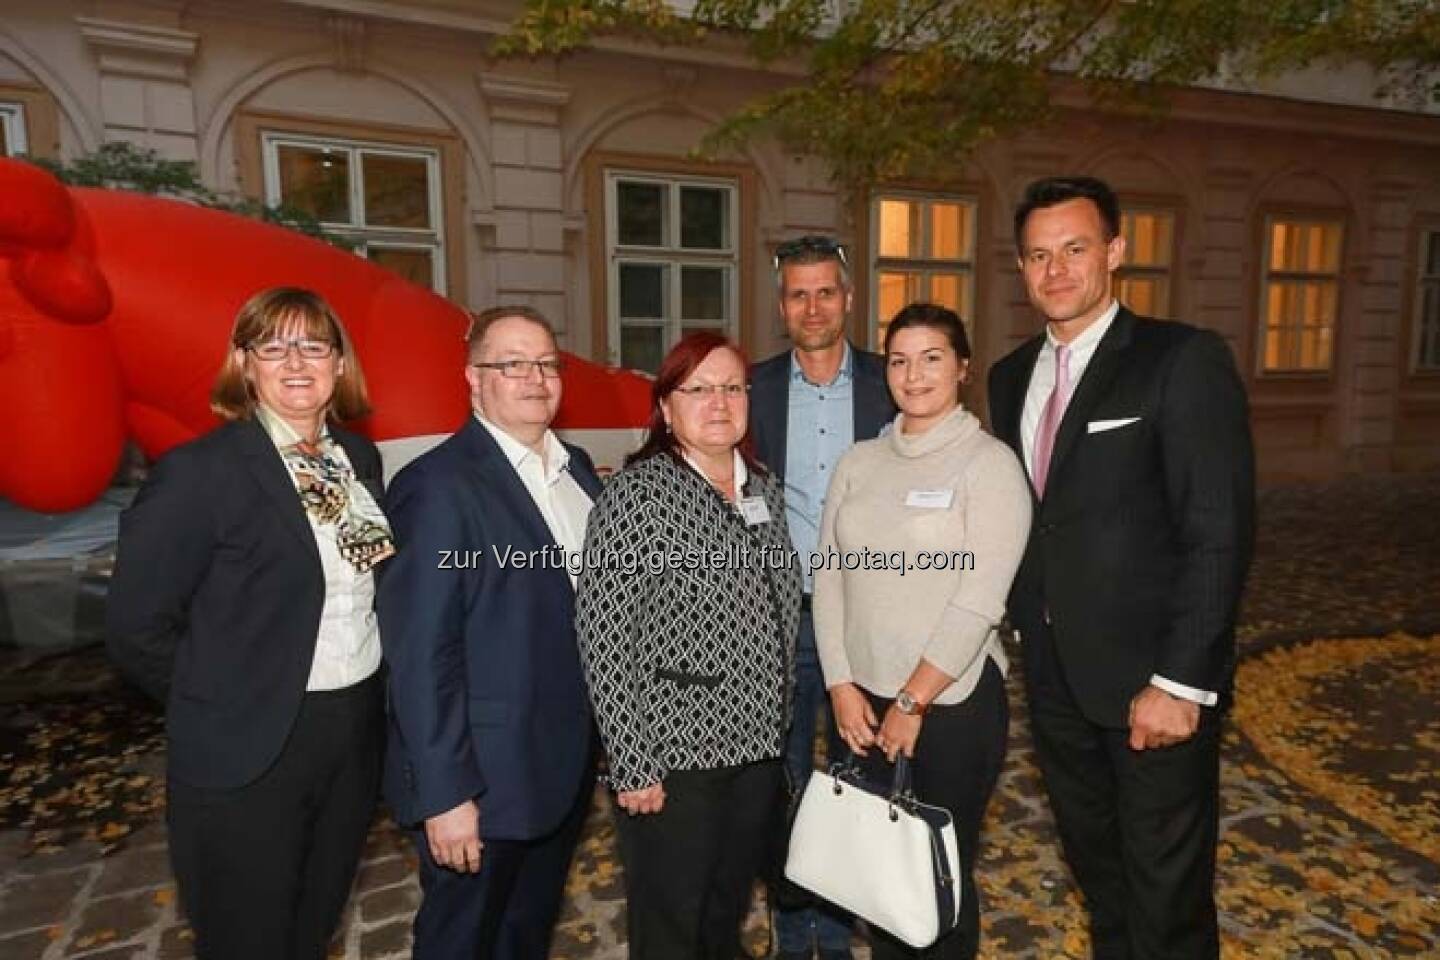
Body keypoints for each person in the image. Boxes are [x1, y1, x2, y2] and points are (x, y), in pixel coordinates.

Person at [987, 176, 1255, 959]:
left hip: (1151, 683)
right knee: (1100, 878)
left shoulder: (1180, 360)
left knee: (1166, 894)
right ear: (1021, 267)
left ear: (1115, 252)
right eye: (1039, 255)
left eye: (1074, 249)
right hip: (1056, 679)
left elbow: (1218, 529)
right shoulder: (1008, 378)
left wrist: (1180, 682)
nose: (1056, 270)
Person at [107, 286, 392, 960]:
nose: (296, 361)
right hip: (249, 750)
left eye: (314, 345)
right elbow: (136, 627)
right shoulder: (200, 474)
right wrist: (220, 704)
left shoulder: (360, 462)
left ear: (340, 364)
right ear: (245, 364)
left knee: (312, 926)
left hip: (352, 732)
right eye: (273, 345)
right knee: (249, 940)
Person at [377, 306, 602, 960]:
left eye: (546, 363)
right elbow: (420, 655)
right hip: (483, 779)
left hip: (559, 767)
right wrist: (445, 793)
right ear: (473, 379)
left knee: (523, 937)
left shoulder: (578, 471)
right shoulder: (438, 487)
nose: (534, 377)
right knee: (461, 942)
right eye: (512, 363)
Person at [813, 303, 1031, 960]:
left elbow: (979, 599)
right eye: (900, 360)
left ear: (963, 368)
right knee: (878, 879)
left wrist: (911, 701)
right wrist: (841, 685)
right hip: (860, 706)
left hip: (950, 707)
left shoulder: (988, 466)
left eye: (932, 357)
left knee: (936, 880)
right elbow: (829, 576)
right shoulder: (858, 461)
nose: (914, 374)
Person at [576, 332, 803, 960]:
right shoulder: (635, 497)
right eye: (697, 389)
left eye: (732, 386)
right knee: (671, 924)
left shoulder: (763, 488)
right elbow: (604, 637)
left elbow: (781, 605)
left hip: (757, 750)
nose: (719, 402)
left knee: (725, 912)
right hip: (675, 758)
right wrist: (632, 760)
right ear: (667, 406)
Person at [750, 234, 895, 960]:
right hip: (773, 619)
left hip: (865, 620)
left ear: (849, 298)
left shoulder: (890, 383)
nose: (813, 306)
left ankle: (836, 932)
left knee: (855, 779)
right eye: (798, 294)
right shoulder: (747, 389)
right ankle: (790, 919)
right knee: (781, 777)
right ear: (782, 306)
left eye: (826, 291)